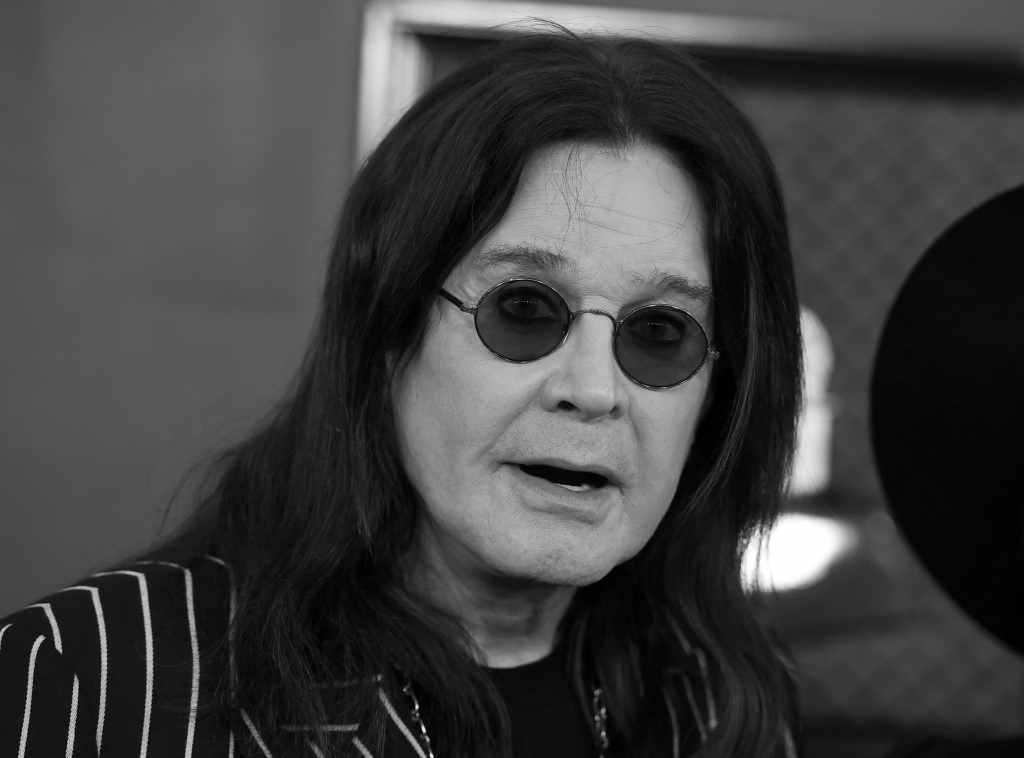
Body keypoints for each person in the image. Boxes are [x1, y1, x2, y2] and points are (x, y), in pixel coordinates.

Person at [0, 31, 802, 758]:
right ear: (388, 332)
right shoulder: (87, 681)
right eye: (524, 309)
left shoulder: (722, 701)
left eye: (659, 333)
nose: (593, 389)